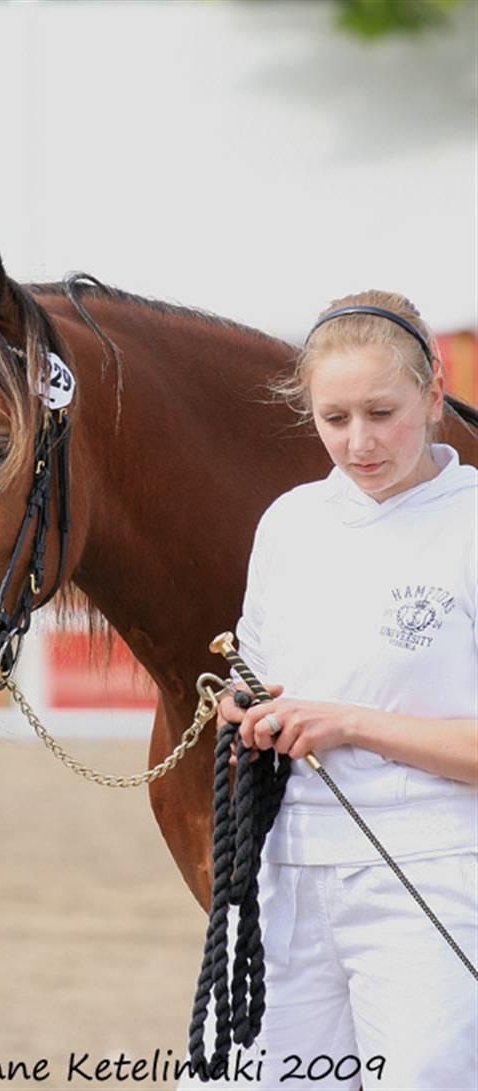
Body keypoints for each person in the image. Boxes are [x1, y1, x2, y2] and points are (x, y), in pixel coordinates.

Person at [182, 291, 477, 1091]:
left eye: (382, 411)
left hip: (438, 870)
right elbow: (262, 675)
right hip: (285, 871)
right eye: (334, 417)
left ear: (433, 389)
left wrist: (349, 723)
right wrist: (244, 712)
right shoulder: (289, 523)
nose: (360, 441)